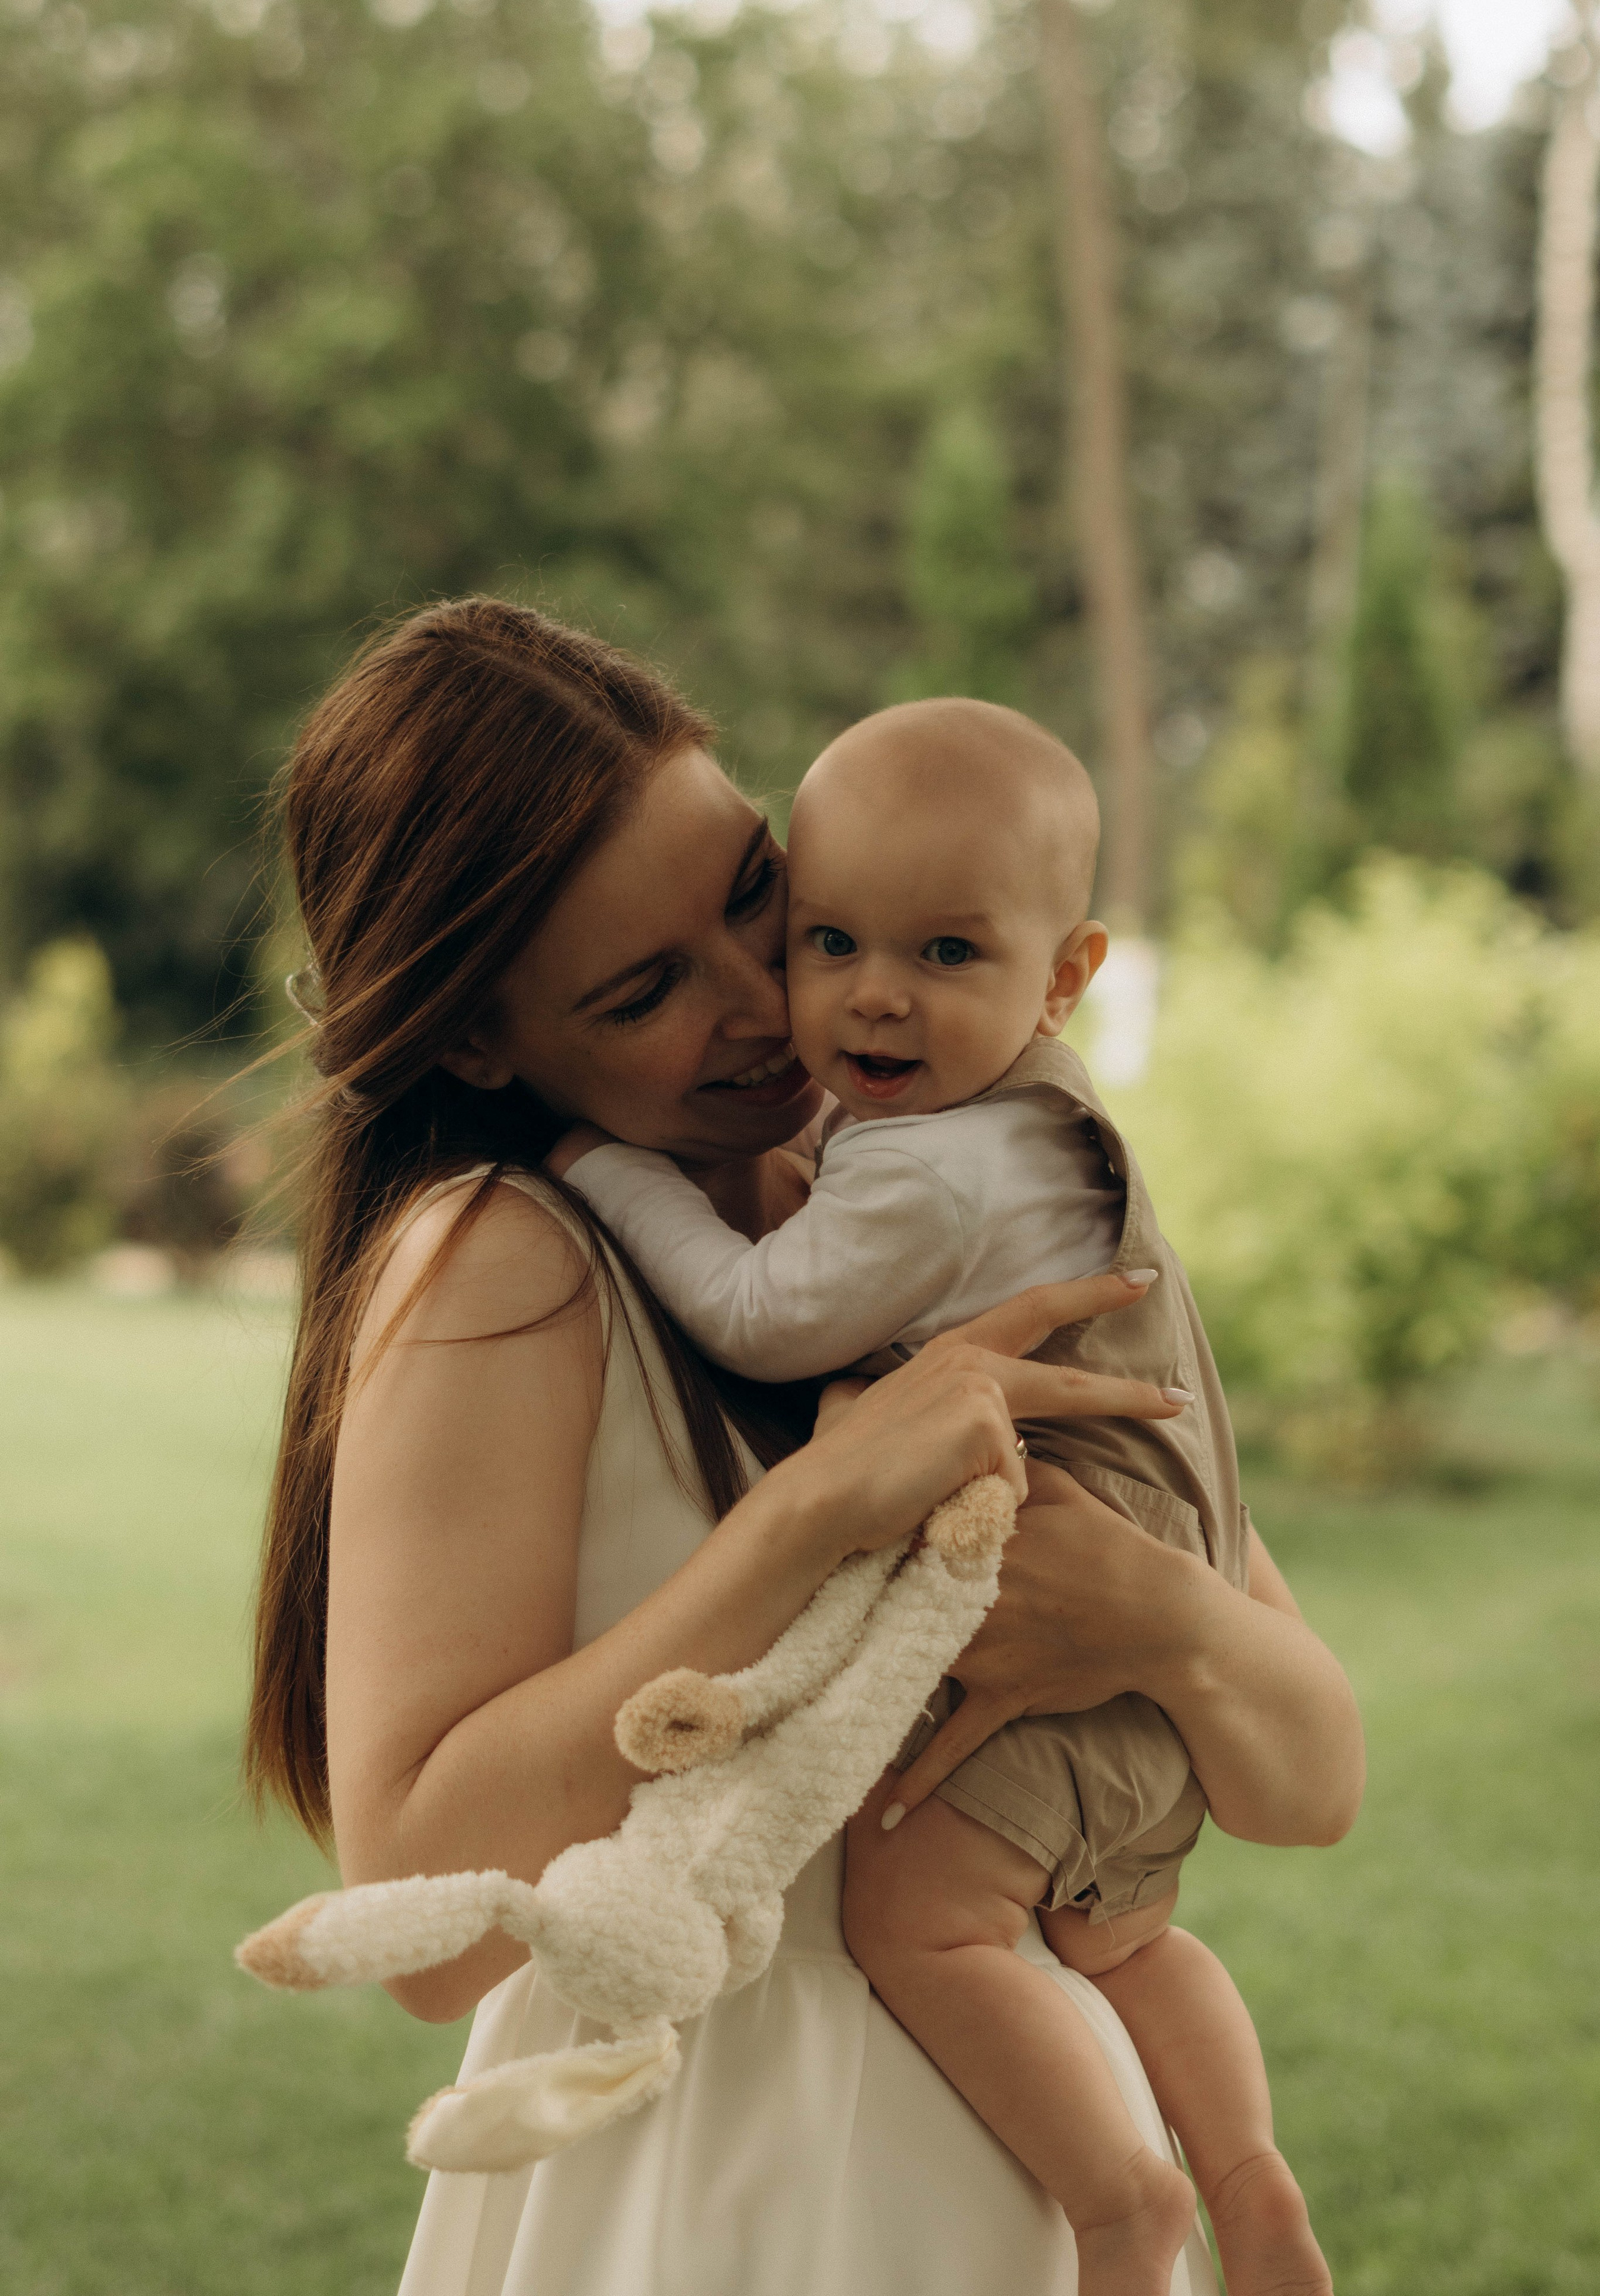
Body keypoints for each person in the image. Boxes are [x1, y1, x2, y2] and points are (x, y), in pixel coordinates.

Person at [245, 597, 1364, 2296]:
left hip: (1041, 2166)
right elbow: (420, 1906)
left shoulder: (920, 1187)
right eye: (644, 993)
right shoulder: (508, 1258)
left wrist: (1169, 1624)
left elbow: (1315, 1782)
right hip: (728, 2189)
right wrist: (819, 1512)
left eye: (757, 900)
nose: (767, 1009)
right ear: (482, 1040)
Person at [551, 700, 1330, 2296]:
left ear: (1063, 977)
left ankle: (1122, 2203)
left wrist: (604, 1174)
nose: (871, 996)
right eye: (827, 940)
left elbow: (767, 1316)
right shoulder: (1047, 1131)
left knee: (925, 1923)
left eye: (946, 955)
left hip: (1053, 1619)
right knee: (1124, 1937)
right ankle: (1250, 2177)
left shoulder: (924, 1165)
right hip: (1139, 1662)